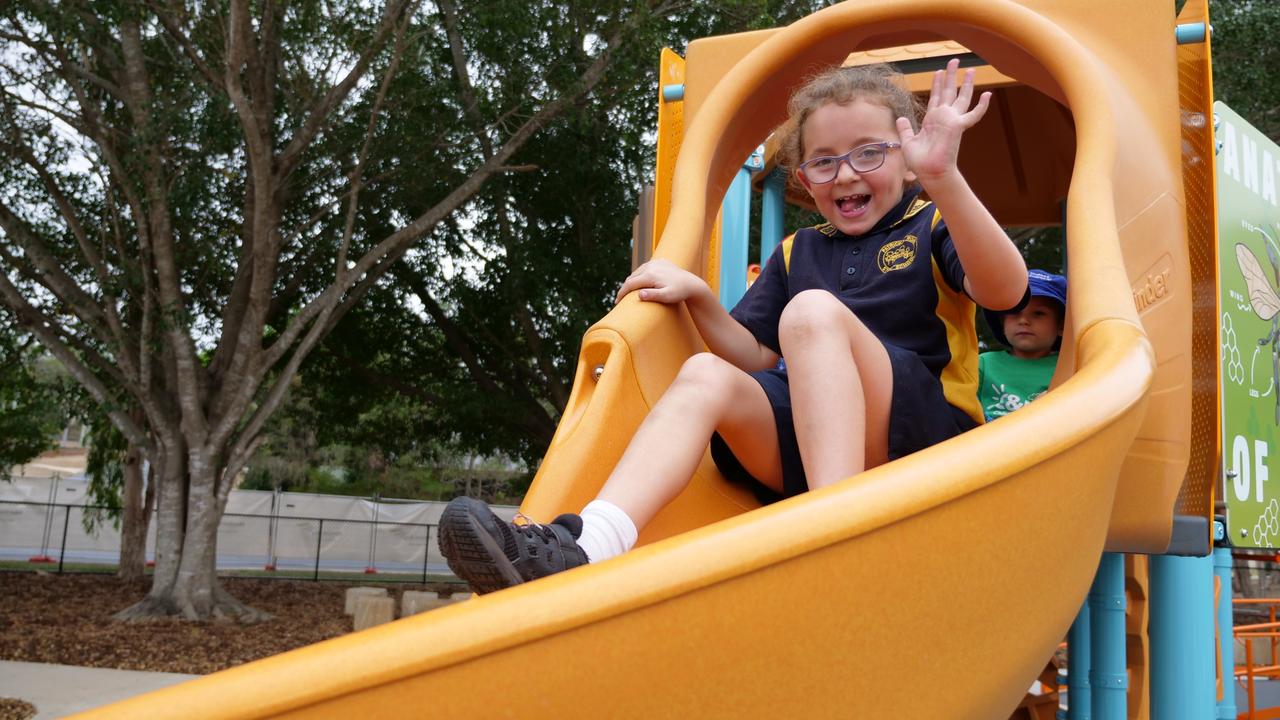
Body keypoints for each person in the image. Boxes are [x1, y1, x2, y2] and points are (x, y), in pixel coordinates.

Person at [438, 59, 1029, 594]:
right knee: (704, 373)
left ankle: (833, 530)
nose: (845, 174)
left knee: (812, 311)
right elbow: (754, 355)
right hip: (810, 447)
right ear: (804, 175)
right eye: (823, 161)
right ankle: (590, 544)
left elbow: (1006, 291)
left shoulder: (931, 224)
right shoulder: (800, 250)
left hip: (921, 442)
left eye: (869, 152)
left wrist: (945, 180)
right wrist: (699, 296)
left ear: (905, 156)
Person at [977, 269, 1067, 421]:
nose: (1023, 320)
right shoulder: (984, 364)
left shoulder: (1068, 366)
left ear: (1061, 326)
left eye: (1038, 313)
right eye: (1014, 312)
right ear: (1002, 322)